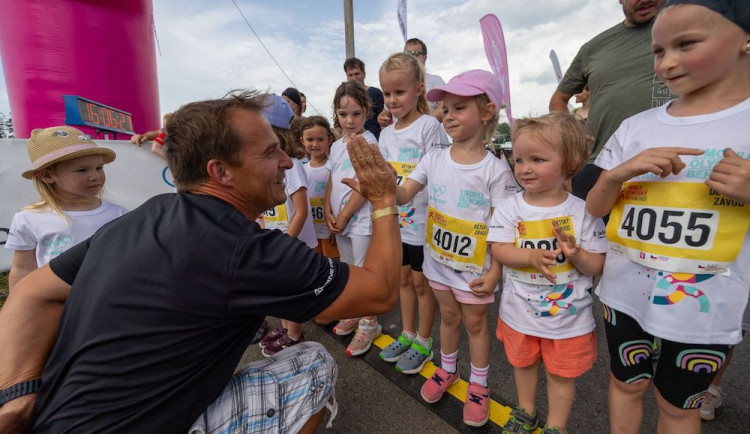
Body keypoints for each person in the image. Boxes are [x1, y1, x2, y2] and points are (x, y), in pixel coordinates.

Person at [0, 90, 401, 433]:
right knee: (312, 362)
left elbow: (31, 292)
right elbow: (381, 293)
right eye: (270, 151)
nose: (285, 161)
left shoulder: (148, 213)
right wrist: (383, 199)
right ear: (220, 172)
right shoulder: (250, 251)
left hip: (54, 417)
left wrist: (17, 394)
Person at [586, 1, 750, 432]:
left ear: (745, 38)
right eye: (658, 51)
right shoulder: (636, 126)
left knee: (679, 408)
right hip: (624, 294)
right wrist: (616, 175)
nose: (667, 63)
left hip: (702, 308)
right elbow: (595, 208)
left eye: (686, 44)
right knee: (626, 385)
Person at [396, 70, 517, 426]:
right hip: (437, 262)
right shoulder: (433, 158)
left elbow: (501, 227)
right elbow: (404, 193)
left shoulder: (496, 171)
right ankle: (448, 369)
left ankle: (479, 385)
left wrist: (495, 270)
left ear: (486, 112)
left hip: (475, 268)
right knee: (448, 317)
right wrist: (383, 183)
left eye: (458, 107)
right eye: (444, 108)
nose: (447, 115)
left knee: (475, 323)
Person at [488, 113, 607, 434]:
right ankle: (526, 411)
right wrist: (528, 256)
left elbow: (597, 266)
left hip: (568, 321)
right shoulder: (511, 207)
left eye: (537, 159)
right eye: (519, 159)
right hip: (519, 314)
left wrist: (577, 255)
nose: (524, 168)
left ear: (569, 162)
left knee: (561, 375)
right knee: (522, 364)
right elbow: (498, 249)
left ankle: (557, 425)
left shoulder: (583, 212)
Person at [549, 0, 671, 200]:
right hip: (600, 164)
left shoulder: (686, 31)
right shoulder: (594, 47)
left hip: (671, 162)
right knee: (590, 230)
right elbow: (558, 100)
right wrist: (575, 137)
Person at [376, 52, 449, 375]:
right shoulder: (386, 134)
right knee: (403, 279)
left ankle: (423, 341)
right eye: (387, 94)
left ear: (418, 89)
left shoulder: (429, 126)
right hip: (397, 222)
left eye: (399, 92)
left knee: (422, 284)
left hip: (423, 224)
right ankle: (407, 333)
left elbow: (439, 171)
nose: (392, 100)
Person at [5, 126, 127, 289]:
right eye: (82, 170)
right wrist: (17, 308)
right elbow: (23, 268)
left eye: (99, 168)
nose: (95, 176)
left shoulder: (120, 215)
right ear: (47, 176)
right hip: (55, 306)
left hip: (106, 302)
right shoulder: (27, 218)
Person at [256, 94, 318, 357]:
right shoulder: (264, 165)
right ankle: (284, 328)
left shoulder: (291, 168)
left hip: (293, 244)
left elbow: (301, 211)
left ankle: (294, 335)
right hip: (276, 241)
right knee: (279, 291)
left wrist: (285, 244)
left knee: (291, 293)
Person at [324, 81, 383, 356]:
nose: (349, 120)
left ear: (367, 112)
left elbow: (367, 183)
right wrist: (328, 211)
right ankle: (356, 312)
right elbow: (330, 181)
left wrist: (346, 214)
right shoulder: (336, 146)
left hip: (359, 220)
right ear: (336, 113)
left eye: (356, 114)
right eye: (343, 114)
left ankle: (369, 322)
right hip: (340, 220)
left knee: (363, 271)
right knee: (348, 268)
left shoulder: (369, 142)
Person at [380, 37, 446, 127]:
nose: (411, 57)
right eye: (407, 54)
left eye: (415, 53)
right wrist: (382, 117)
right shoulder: (396, 82)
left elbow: (444, 106)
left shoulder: (435, 80)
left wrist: (422, 124)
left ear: (424, 57)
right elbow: (386, 112)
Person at [299, 115, 339, 261]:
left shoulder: (334, 167)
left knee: (333, 266)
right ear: (302, 141)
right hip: (310, 232)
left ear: (329, 140)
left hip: (329, 231)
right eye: (310, 140)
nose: (315, 144)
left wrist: (335, 227)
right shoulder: (302, 169)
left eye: (320, 139)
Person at [344, 57, 385, 139]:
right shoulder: (344, 96)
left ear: (364, 74)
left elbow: (383, 121)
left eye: (357, 74)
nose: (354, 78)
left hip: (374, 140)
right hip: (351, 140)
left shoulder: (376, 93)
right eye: (350, 75)